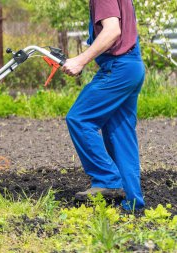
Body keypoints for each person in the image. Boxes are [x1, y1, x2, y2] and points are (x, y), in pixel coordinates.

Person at [61, 0, 146, 210]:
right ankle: (132, 204)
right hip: (132, 66)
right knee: (120, 135)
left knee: (79, 119)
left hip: (118, 68)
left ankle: (106, 179)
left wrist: (81, 60)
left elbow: (112, 31)